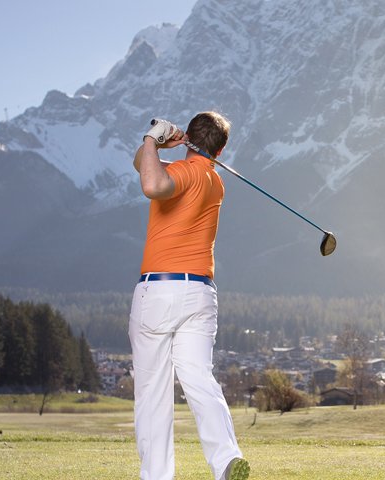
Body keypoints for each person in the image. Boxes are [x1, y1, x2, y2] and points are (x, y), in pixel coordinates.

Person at [128, 112, 248, 480]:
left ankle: (158, 476)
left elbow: (151, 184)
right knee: (198, 377)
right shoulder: (213, 181)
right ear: (221, 148)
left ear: (191, 137)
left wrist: (154, 138)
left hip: (160, 291)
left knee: (152, 392)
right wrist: (155, 145)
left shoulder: (184, 175)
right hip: (200, 294)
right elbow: (143, 166)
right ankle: (226, 457)